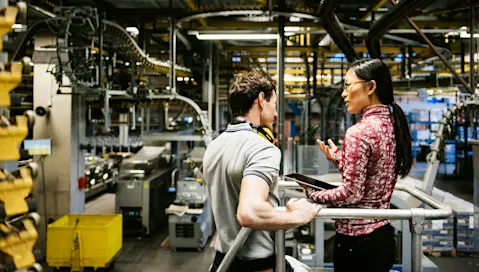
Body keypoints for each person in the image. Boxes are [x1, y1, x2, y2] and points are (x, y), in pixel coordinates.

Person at [203, 71, 321, 272]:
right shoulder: (262, 148)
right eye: (274, 104)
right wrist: (299, 216)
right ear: (260, 100)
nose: (276, 114)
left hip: (224, 262)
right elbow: (250, 212)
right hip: (258, 266)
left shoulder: (215, 146)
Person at [305, 59, 413, 272]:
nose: (343, 94)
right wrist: (338, 158)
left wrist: (312, 195)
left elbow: (351, 194)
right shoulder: (391, 125)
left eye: (347, 85)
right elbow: (373, 175)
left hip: (357, 244)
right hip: (381, 237)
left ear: (371, 87)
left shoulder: (359, 132)